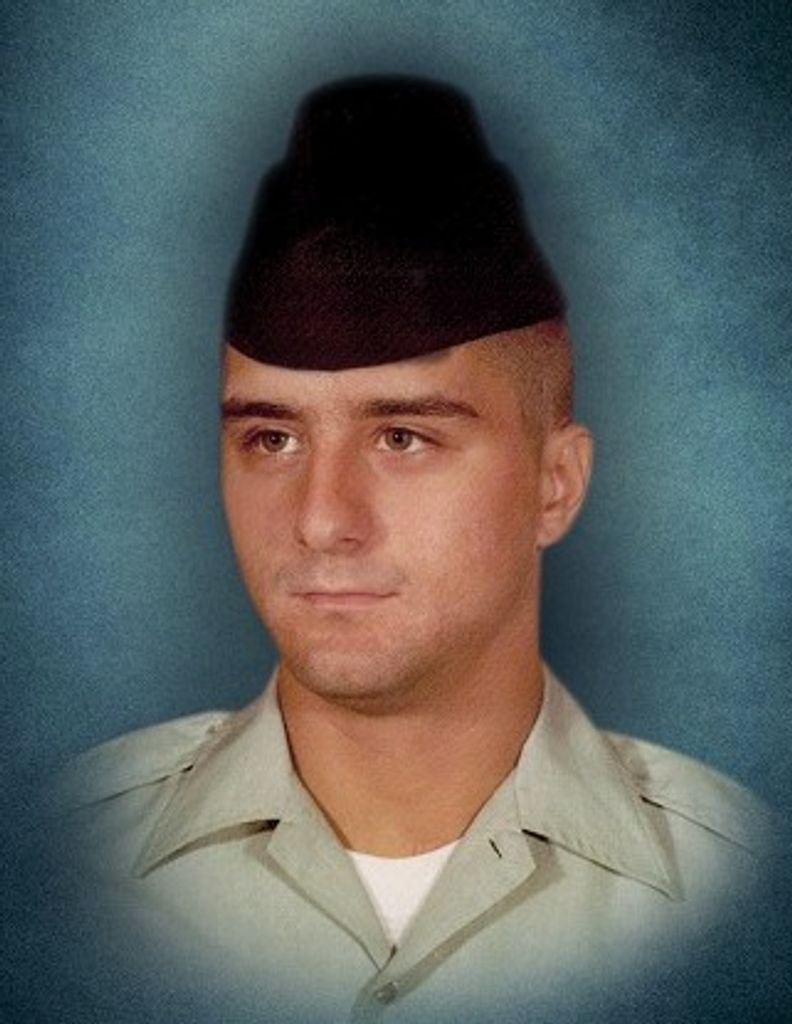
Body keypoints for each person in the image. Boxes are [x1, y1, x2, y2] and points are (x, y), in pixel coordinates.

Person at [59, 76, 772, 1023]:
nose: (322, 519)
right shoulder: (62, 868)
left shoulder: (741, 895)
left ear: (555, 485)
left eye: (402, 437)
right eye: (272, 438)